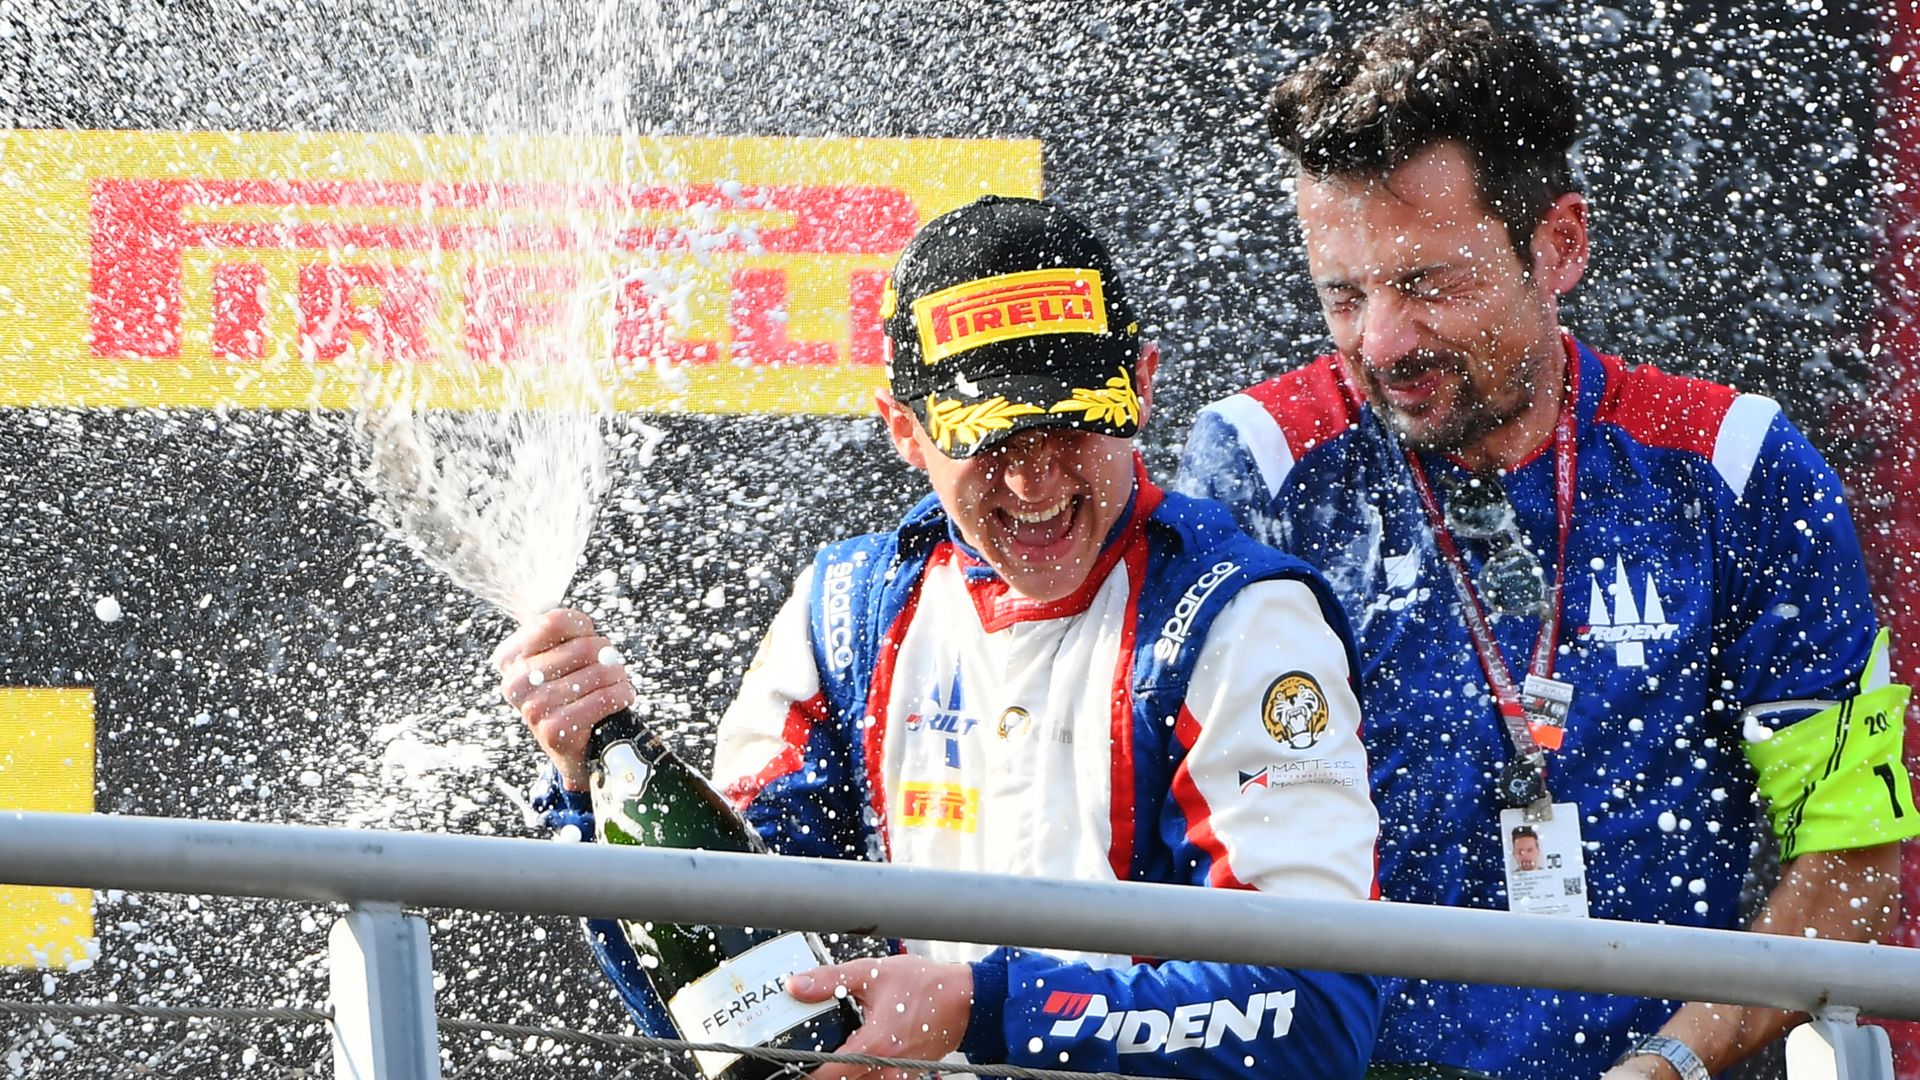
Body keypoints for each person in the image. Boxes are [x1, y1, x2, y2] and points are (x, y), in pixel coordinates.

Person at [1174, 9, 1919, 1080]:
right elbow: (1183, 849)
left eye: (1428, 284)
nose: (1381, 342)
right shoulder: (1260, 467)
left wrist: (1672, 1064)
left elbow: (1851, 852)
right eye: (1344, 295)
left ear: (1559, 244)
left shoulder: (1736, 466)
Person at [495, 194, 1384, 1078]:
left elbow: (1318, 1016)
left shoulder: (1241, 619)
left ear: (1142, 386)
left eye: (1072, 415)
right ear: (903, 430)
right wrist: (590, 779)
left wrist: (984, 1007)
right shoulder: (843, 613)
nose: (1035, 475)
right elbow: (730, 995)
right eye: (988, 433)